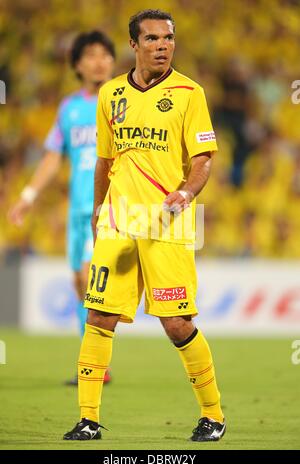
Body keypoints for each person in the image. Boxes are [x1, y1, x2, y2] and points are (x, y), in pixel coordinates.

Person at [64, 9, 226, 442]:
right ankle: (88, 419)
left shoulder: (190, 93)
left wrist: (187, 194)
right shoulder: (111, 94)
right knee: (99, 315)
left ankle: (213, 415)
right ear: (133, 45)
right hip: (119, 221)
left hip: (167, 222)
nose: (162, 46)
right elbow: (104, 160)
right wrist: (99, 211)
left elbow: (203, 159)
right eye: (152, 39)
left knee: (176, 324)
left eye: (168, 38)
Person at [9, 30, 115, 386]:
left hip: (110, 208)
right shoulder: (69, 109)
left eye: (105, 54)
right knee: (77, 281)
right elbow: (53, 158)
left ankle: (94, 366)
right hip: (78, 209)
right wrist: (27, 196)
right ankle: (95, 362)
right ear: (77, 65)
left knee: (89, 277)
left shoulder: (123, 100)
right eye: (91, 55)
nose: (99, 60)